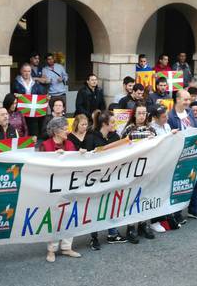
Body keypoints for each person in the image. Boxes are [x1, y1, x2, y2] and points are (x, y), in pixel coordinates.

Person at [38, 117, 82, 262]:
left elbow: (76, 163)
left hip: (68, 184)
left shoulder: (69, 144)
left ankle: (67, 247)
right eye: (64, 129)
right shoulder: (45, 145)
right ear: (56, 131)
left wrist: (82, 155)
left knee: (69, 215)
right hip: (52, 187)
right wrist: (53, 159)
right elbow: (39, 166)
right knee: (54, 217)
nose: (68, 131)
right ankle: (51, 249)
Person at [89, 110, 128, 248]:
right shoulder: (91, 137)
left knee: (111, 204)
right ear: (104, 124)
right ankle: (94, 236)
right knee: (95, 206)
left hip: (112, 176)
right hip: (96, 178)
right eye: (112, 122)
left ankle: (113, 233)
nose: (114, 124)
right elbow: (86, 157)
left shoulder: (116, 136)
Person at [168, 90, 197, 221]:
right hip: (178, 156)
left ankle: (193, 209)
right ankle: (177, 213)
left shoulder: (189, 113)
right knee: (179, 184)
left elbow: (196, 129)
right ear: (177, 99)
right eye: (185, 100)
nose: (188, 102)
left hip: (192, 154)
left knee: (194, 182)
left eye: (189, 99)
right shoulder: (170, 116)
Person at [122, 104, 157, 241]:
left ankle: (143, 224)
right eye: (139, 113)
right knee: (132, 197)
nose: (142, 115)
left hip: (148, 168)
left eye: (144, 113)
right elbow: (122, 148)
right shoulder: (128, 130)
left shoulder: (152, 130)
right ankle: (130, 227)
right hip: (134, 169)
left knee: (145, 195)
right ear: (134, 115)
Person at [12, 64, 46, 137]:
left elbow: (41, 95)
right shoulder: (16, 83)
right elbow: (11, 96)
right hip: (20, 111)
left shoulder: (35, 83)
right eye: (25, 71)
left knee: (33, 131)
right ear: (21, 71)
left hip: (32, 111)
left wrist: (46, 98)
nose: (27, 73)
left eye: (29, 71)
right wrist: (15, 95)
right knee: (22, 131)